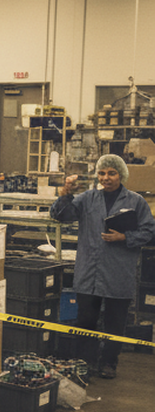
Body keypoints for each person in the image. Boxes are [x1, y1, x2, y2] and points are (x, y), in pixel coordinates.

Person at [50, 155, 155, 379]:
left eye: (111, 173)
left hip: (119, 271)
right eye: (102, 173)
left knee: (115, 323)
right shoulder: (87, 198)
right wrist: (66, 193)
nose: (106, 178)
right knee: (86, 320)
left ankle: (109, 363)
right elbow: (61, 216)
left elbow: (149, 231)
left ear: (121, 175)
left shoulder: (136, 202)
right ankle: (84, 363)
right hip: (89, 271)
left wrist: (124, 237)